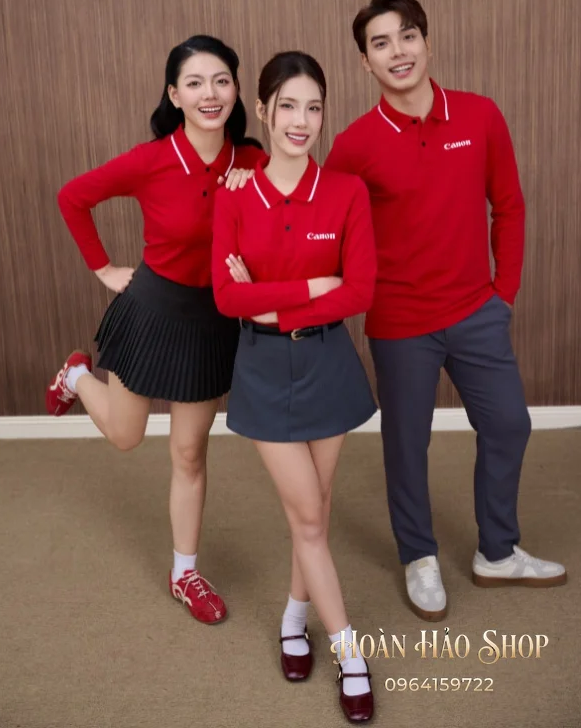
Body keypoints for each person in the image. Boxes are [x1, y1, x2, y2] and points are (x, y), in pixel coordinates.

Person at [324, 0, 567, 622]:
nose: (398, 52)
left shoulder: (480, 116)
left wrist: (503, 294)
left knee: (509, 425)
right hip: (400, 322)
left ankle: (498, 551)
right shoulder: (354, 145)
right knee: (408, 445)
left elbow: (508, 207)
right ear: (365, 62)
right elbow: (328, 228)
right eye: (381, 43)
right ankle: (419, 555)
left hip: (476, 311)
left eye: (407, 36)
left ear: (427, 42)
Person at [45, 35, 265, 624]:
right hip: (152, 311)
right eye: (194, 83)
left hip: (212, 320)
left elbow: (286, 220)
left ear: (235, 89)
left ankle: (184, 573)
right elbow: (72, 197)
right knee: (125, 436)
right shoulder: (152, 159)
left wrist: (257, 194)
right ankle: (77, 376)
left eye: (221, 80)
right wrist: (103, 269)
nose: (209, 93)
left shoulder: (253, 161)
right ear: (174, 94)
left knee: (189, 453)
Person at [212, 51, 377, 723]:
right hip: (261, 371)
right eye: (288, 106)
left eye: (314, 107)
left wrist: (272, 304)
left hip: (328, 366)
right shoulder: (234, 195)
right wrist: (312, 286)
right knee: (309, 517)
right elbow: (227, 298)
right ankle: (351, 655)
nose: (301, 121)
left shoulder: (346, 192)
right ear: (263, 110)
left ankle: (292, 615)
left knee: (316, 511)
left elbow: (359, 291)